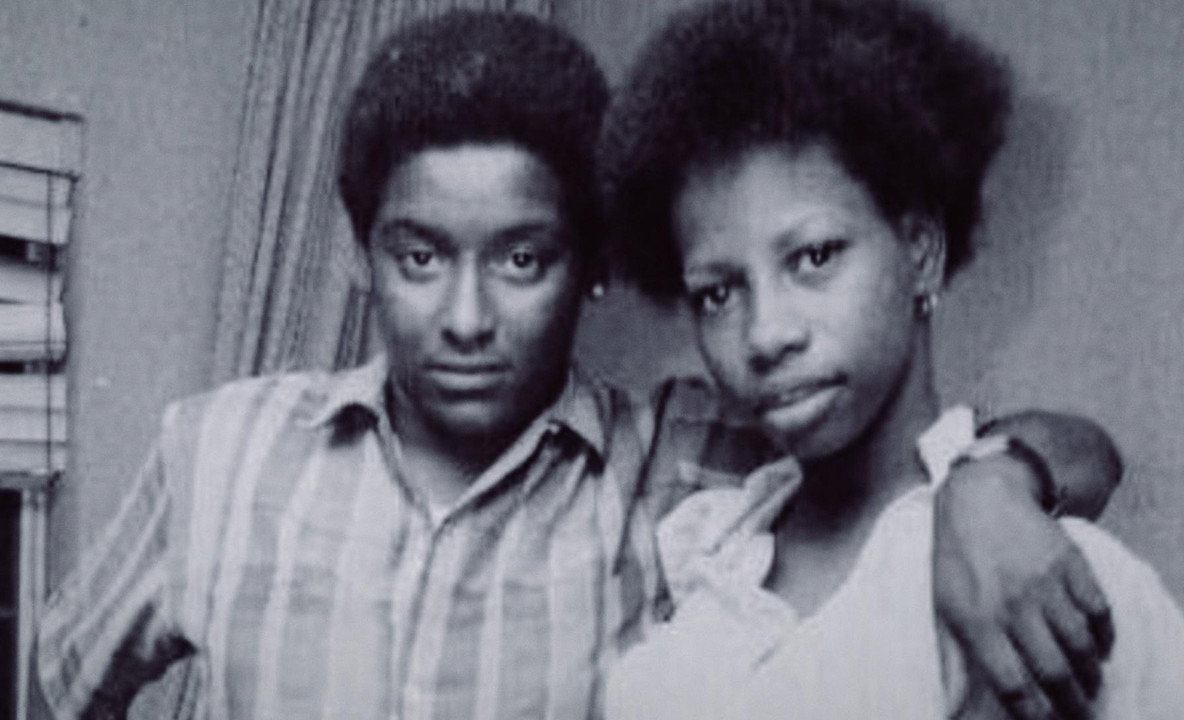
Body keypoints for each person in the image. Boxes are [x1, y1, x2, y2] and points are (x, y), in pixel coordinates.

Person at [39, 9, 1120, 720]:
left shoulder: (686, 466)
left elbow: (1076, 455)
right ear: (360, 256)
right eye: (420, 256)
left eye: (522, 258)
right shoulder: (218, 450)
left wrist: (993, 482)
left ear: (592, 267)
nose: (466, 319)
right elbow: (61, 688)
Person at [597, 0, 1184, 718]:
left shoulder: (1043, 587)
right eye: (717, 293)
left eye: (815, 257)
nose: (765, 334)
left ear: (921, 252)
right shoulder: (702, 581)